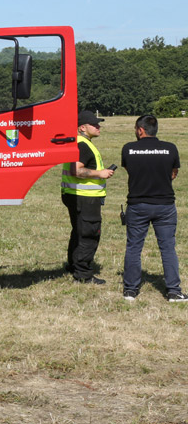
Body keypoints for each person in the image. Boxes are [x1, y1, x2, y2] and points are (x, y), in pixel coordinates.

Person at [120, 115, 186, 302]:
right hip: (165, 205)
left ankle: (130, 290)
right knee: (168, 248)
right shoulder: (170, 148)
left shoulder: (129, 148)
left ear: (140, 130)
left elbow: (130, 170)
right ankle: (174, 291)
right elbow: (173, 174)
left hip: (137, 204)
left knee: (134, 247)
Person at [61, 110, 115, 284]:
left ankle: (73, 265)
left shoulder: (78, 142)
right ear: (82, 127)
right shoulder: (82, 144)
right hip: (85, 197)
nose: (99, 126)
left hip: (75, 195)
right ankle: (83, 274)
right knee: (89, 233)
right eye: (94, 124)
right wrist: (101, 173)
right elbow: (76, 170)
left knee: (78, 231)